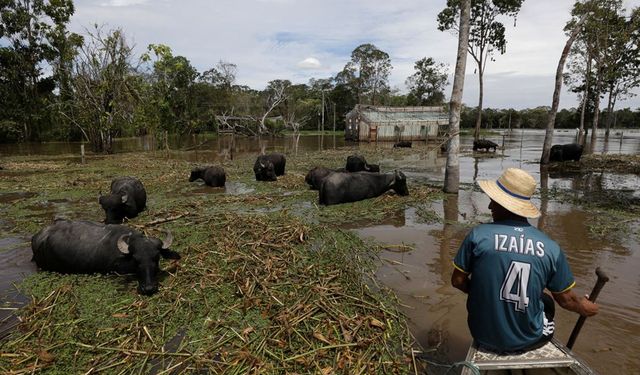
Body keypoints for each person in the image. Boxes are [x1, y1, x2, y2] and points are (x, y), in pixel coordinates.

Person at [451, 167, 598, 353]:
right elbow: (567, 301)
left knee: (541, 299)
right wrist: (586, 308)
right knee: (547, 302)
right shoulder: (550, 248)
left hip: (482, 334)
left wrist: (485, 291)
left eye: (493, 202)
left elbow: (457, 281)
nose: (489, 207)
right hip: (527, 340)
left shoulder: (477, 236)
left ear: (503, 204)